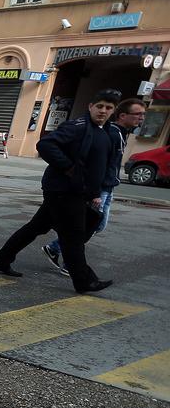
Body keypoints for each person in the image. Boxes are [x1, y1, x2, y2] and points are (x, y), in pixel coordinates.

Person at [0, 88, 123, 293]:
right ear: (90, 107)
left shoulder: (104, 131)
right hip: (64, 191)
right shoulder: (77, 127)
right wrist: (69, 169)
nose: (103, 111)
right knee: (73, 237)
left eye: (108, 108)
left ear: (113, 111)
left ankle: (0, 261)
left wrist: (94, 193)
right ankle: (85, 281)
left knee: (35, 228)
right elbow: (46, 145)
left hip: (74, 191)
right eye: (100, 106)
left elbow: (97, 166)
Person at [42, 97, 146, 275]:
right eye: (138, 114)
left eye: (143, 115)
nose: (141, 118)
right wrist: (93, 190)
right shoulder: (110, 132)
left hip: (105, 187)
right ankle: (69, 261)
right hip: (95, 187)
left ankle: (57, 249)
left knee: (90, 225)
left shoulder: (119, 133)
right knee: (86, 225)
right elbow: (96, 163)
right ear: (122, 115)